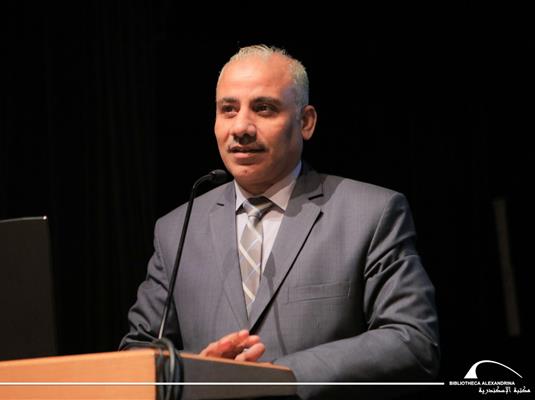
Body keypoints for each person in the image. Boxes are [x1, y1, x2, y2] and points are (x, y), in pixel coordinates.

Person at [120, 44, 439, 398]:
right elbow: (137, 352)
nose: (241, 127)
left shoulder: (371, 213)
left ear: (306, 122)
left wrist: (281, 376)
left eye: (264, 108)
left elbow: (412, 341)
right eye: (228, 109)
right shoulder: (176, 229)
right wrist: (192, 373)